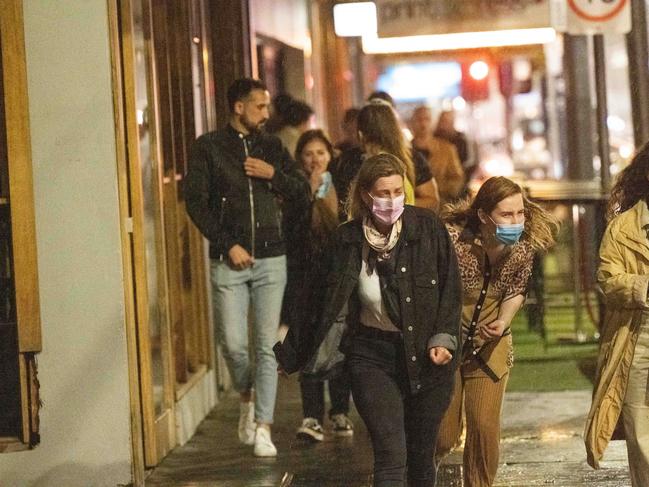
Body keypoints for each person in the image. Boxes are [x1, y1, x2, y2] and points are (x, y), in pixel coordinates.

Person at [276, 153, 462, 486]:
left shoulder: (427, 229)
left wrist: (444, 338)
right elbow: (317, 301)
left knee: (421, 456)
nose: (392, 201)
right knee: (391, 452)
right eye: (384, 193)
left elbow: (451, 289)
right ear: (366, 195)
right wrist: (292, 352)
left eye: (397, 191)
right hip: (371, 357)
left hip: (427, 358)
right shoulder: (345, 241)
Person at [184, 78, 310, 457]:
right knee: (235, 345)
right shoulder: (209, 148)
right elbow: (196, 202)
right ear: (238, 107)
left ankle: (263, 426)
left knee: (266, 346)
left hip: (272, 257)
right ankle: (246, 396)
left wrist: (273, 175)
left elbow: (302, 191)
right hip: (229, 260)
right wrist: (228, 244)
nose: (266, 114)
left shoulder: (271, 146)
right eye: (259, 106)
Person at [436, 176, 558, 487]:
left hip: (490, 346)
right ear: (483, 216)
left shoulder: (522, 250)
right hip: (447, 346)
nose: (516, 221)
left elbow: (517, 289)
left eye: (520, 213)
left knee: (485, 425)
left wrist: (502, 321)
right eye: (506, 214)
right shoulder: (453, 242)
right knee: (444, 435)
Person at [281, 129, 354, 442]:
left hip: (337, 277)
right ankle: (311, 416)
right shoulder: (294, 189)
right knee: (309, 343)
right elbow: (292, 233)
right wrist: (307, 195)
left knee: (340, 342)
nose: (314, 160)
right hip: (305, 279)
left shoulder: (343, 187)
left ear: (330, 155)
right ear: (300, 158)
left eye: (320, 153)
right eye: (308, 154)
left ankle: (339, 410)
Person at [585, 143, 649, 487]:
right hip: (637, 338)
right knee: (641, 434)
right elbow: (609, 280)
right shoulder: (623, 228)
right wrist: (645, 287)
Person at [329, 100, 440, 219]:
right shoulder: (411, 158)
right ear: (395, 129)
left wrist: (390, 207)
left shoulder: (345, 161)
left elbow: (333, 205)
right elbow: (432, 201)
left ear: (360, 134)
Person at [411, 106, 465, 206]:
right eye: (419, 119)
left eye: (427, 119)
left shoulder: (447, 149)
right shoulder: (406, 150)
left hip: (441, 207)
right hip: (415, 207)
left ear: (432, 122)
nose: (423, 124)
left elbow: (457, 179)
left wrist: (434, 188)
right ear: (412, 123)